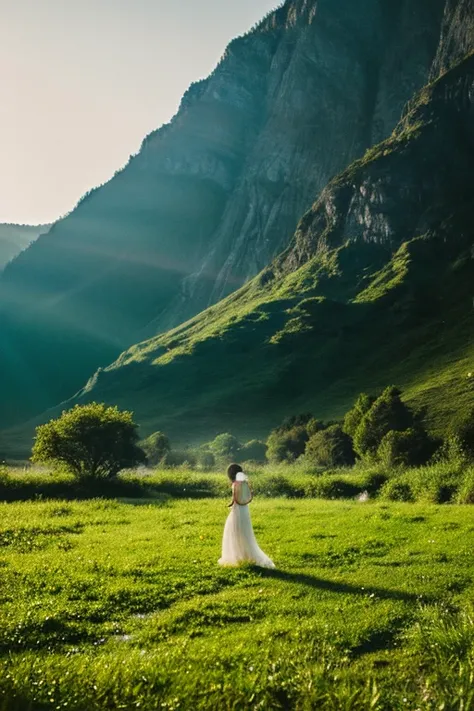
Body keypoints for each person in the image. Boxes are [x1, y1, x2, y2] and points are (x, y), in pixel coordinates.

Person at [218, 463, 275, 568]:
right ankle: (245, 555)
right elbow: (247, 497)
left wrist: (231, 503)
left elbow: (235, 498)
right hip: (245, 510)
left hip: (237, 510)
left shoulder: (235, 484)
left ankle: (237, 556)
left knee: (233, 531)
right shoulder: (245, 483)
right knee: (245, 532)